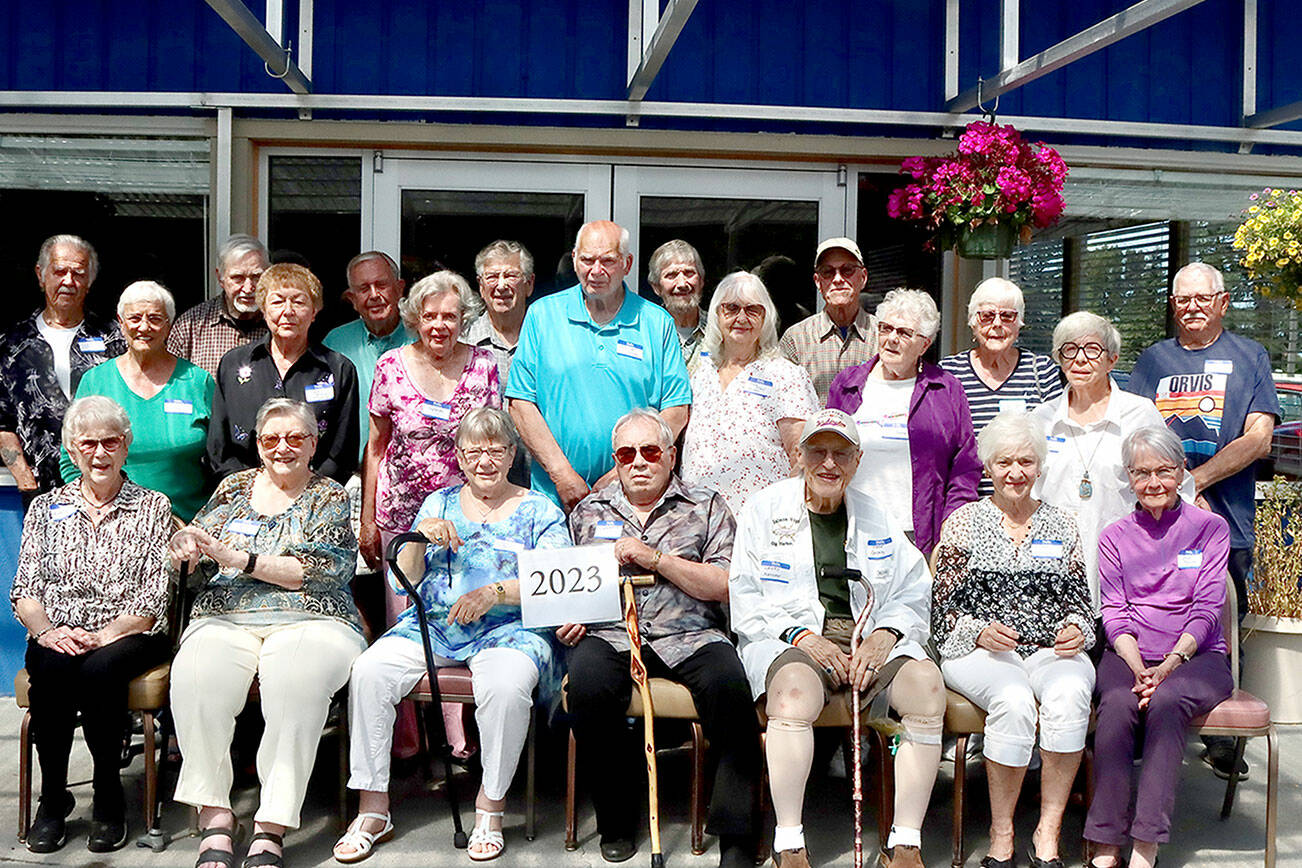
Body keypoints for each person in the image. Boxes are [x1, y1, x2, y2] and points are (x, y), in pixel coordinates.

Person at [337, 408, 567, 864]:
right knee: (369, 671)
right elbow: (406, 582)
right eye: (474, 451)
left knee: (504, 685)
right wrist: (418, 539)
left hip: (510, 629)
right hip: (436, 624)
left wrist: (495, 593)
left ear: (512, 454)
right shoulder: (437, 503)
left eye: (495, 450)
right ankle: (372, 809)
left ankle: (491, 807)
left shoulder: (540, 509)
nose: (485, 461)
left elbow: (553, 580)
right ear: (459, 456)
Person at [730, 408, 944, 868]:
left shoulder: (877, 513)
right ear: (799, 455)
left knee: (927, 688)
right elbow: (746, 596)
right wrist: (803, 637)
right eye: (818, 452)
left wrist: (885, 634)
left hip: (869, 635)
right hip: (793, 639)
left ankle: (905, 842)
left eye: (841, 454)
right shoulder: (762, 510)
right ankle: (789, 841)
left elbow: (912, 588)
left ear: (858, 460)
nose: (829, 463)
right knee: (789, 697)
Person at [169, 398, 367, 868]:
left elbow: (322, 570)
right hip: (227, 615)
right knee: (196, 673)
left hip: (313, 618)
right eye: (271, 438)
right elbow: (199, 541)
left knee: (295, 681)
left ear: (314, 444)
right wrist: (187, 548)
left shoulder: (330, 495)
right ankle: (216, 814)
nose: (283, 447)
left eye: (296, 437)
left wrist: (240, 559)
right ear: (257, 444)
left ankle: (271, 825)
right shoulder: (233, 487)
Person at [560, 408, 759, 867]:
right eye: (627, 454)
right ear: (617, 459)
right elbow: (567, 583)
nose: (639, 462)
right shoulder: (590, 510)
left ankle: (737, 834)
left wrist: (656, 560)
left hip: (690, 633)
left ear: (671, 455)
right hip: (613, 633)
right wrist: (568, 616)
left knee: (730, 687)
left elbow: (722, 583)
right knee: (587, 686)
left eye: (650, 451)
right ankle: (616, 819)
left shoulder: (706, 505)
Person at [932, 412, 1095, 868]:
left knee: (1070, 691)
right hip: (980, 650)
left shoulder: (1062, 525)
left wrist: (1077, 628)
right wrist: (979, 630)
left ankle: (1049, 830)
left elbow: (1082, 602)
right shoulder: (964, 522)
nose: (1015, 473)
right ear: (988, 468)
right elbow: (942, 612)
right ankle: (1001, 833)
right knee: (1014, 697)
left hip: (1050, 649)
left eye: (1026, 461)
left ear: (1040, 467)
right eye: (1005, 462)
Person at [11, 396, 172, 853]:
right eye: (88, 444)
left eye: (111, 442)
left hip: (129, 632)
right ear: (71, 449)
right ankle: (53, 799)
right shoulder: (46, 508)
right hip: (58, 630)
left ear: (126, 446)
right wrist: (47, 632)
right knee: (52, 667)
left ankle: (107, 796)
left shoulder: (153, 506)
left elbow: (153, 597)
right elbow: (26, 589)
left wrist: (103, 636)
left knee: (99, 669)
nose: (100, 453)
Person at [1085, 425, 1234, 868]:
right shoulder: (1114, 535)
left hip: (1198, 655)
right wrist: (1138, 667)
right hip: (1130, 654)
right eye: (1142, 473)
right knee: (1115, 701)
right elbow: (1114, 611)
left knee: (1168, 700)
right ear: (1129, 478)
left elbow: (1208, 608)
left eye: (1164, 471)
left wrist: (1169, 664)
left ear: (1182, 470)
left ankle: (1146, 843)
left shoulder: (1210, 528)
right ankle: (1107, 841)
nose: (1153, 483)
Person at [505, 221, 692, 512]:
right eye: (587, 260)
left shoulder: (657, 323)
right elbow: (520, 404)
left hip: (635, 501)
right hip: (554, 499)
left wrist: (622, 473)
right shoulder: (542, 316)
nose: (596, 270)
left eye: (607, 260)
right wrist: (562, 475)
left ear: (627, 264)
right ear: (575, 259)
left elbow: (677, 410)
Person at [1031, 312, 1192, 608]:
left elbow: (1177, 484)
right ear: (1059, 359)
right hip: (1053, 571)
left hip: (1128, 568)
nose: (1080, 359)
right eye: (1069, 349)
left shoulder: (1140, 415)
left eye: (1092, 350)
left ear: (1112, 360)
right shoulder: (1041, 420)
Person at [359, 271, 500, 585]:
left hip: (466, 514)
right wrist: (367, 520)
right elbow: (375, 448)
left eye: (449, 316)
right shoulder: (390, 366)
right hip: (400, 514)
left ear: (464, 319)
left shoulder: (484, 364)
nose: (439, 325)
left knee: (461, 605)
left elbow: (494, 444)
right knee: (403, 610)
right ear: (415, 319)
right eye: (430, 316)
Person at [827, 288, 981, 558]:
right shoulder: (847, 384)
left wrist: (952, 525)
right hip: (853, 527)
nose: (891, 339)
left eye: (904, 332)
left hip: (919, 535)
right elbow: (826, 454)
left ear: (924, 344)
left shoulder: (946, 390)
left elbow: (965, 467)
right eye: (886, 329)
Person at [60, 281, 214, 520]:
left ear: (169, 325)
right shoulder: (96, 382)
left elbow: (221, 459)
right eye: (134, 319)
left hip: (188, 527)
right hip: (115, 527)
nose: (144, 327)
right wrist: (96, 513)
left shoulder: (197, 381)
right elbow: (70, 458)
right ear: (121, 324)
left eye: (154, 318)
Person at [207, 263, 360, 485]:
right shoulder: (233, 364)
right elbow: (218, 447)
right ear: (263, 309)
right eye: (277, 302)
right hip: (245, 495)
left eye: (298, 302)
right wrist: (255, 490)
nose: (287, 311)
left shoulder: (338, 369)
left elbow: (342, 451)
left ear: (314, 311)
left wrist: (305, 490)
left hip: (315, 498)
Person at [681, 271, 817, 514]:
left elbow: (802, 455)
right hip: (699, 519)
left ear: (766, 318)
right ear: (716, 314)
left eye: (752, 310)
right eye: (731, 308)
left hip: (762, 519)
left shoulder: (784, 375)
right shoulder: (699, 373)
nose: (741, 317)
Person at [0, 234, 124, 498]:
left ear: (89, 282)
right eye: (59, 272)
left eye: (78, 273)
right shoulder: (11, 344)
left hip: (105, 488)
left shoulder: (114, 338)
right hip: (38, 492)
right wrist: (24, 477)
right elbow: (2, 422)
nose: (69, 281)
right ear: (41, 275)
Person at [940, 277, 1063, 497]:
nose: (997, 324)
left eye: (1007, 316)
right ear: (973, 321)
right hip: (966, 504)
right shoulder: (949, 372)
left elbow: (1056, 443)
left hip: (1028, 505)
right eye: (987, 316)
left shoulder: (1041, 371)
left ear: (1019, 323)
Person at [323, 251, 411, 465]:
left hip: (411, 474)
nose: (374, 295)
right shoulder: (335, 343)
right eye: (363, 289)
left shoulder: (422, 338)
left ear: (399, 289)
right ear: (352, 299)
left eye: (381, 285)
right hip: (351, 472)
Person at [779, 237, 877, 403]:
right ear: (818, 282)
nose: (837, 279)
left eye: (847, 270)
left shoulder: (883, 336)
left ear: (863, 277)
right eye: (828, 272)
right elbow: (782, 401)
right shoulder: (796, 338)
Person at [168, 234, 271, 376]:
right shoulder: (190, 327)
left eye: (256, 277)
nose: (248, 288)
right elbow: (171, 384)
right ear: (220, 278)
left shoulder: (280, 324)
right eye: (238, 278)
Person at [464, 240, 536, 391]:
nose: (501, 286)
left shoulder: (547, 337)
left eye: (511, 275)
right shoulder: (464, 339)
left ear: (529, 284)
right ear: (481, 287)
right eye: (492, 277)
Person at [646, 239, 707, 366]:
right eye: (671, 275)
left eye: (689, 273)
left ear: (701, 281)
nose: (682, 284)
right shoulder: (645, 331)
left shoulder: (719, 329)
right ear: (656, 287)